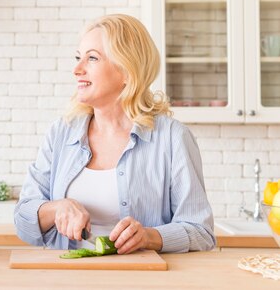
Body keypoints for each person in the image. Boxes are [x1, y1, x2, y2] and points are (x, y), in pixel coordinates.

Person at [14, 14, 215, 254]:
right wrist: (57, 209)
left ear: (127, 71)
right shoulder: (60, 133)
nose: (77, 69)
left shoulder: (172, 138)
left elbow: (201, 232)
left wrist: (150, 237)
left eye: (92, 58)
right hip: (67, 279)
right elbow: (23, 220)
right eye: (78, 58)